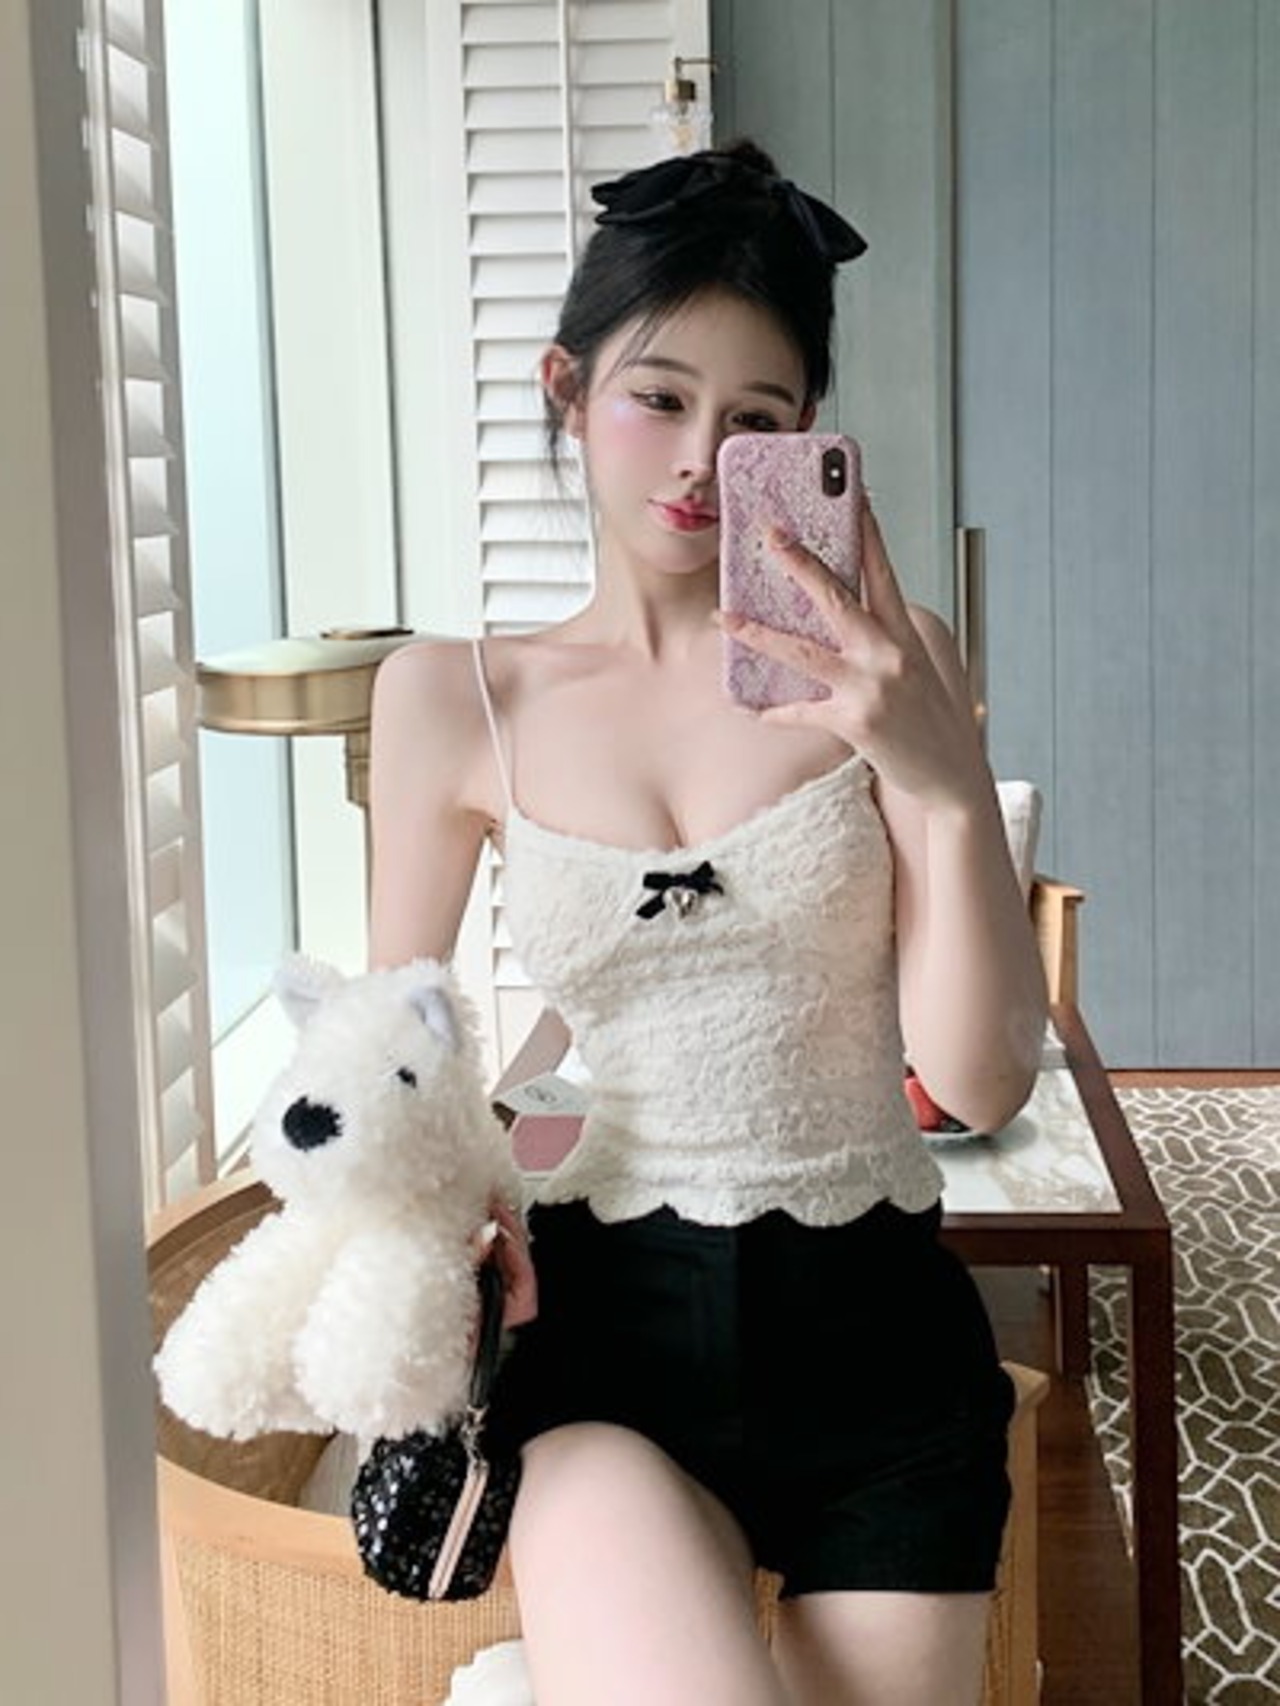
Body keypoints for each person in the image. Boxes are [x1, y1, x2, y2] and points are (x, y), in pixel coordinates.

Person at [368, 140, 1048, 1706]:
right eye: (659, 397)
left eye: (757, 420)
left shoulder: (893, 661)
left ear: (809, 439)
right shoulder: (454, 697)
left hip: (876, 1338)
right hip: (606, 1334)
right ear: (566, 389)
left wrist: (936, 777)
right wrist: (458, 1215)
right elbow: (401, 1055)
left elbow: (980, 1078)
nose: (697, 457)